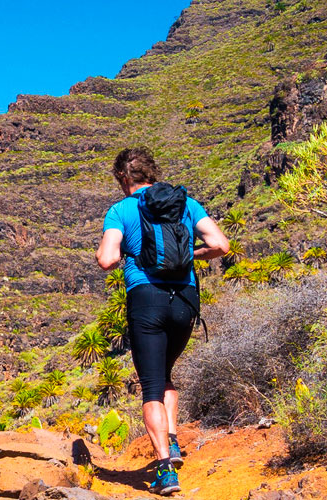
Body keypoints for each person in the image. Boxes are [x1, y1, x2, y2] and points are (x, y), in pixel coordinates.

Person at [94, 147, 229, 495]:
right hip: (185, 301)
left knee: (151, 385)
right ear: (151, 172)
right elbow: (220, 245)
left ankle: (166, 469)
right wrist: (190, 256)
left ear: (124, 179)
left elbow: (107, 259)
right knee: (165, 374)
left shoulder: (120, 210)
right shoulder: (186, 203)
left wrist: (125, 251)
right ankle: (171, 441)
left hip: (147, 301)